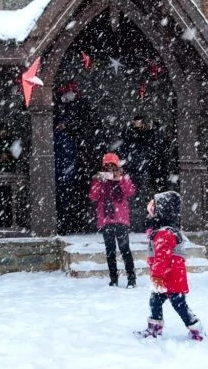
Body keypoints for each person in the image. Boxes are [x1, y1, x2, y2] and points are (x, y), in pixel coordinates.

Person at [136, 191, 204, 341]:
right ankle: (154, 328)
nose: (149, 216)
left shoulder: (164, 233)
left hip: (169, 277)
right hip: (167, 277)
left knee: (178, 304)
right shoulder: (164, 231)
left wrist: (157, 276)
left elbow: (162, 257)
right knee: (156, 301)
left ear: (161, 213)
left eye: (152, 212)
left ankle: (195, 328)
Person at [89, 152, 137, 288]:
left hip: (120, 219)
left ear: (117, 166)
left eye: (112, 166)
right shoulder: (99, 179)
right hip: (106, 220)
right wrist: (98, 181)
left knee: (125, 250)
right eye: (107, 166)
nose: (110, 169)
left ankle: (131, 279)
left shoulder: (123, 177)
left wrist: (120, 179)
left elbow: (130, 192)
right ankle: (113, 279)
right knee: (110, 251)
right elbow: (93, 196)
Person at [118, 114, 159, 230]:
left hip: (142, 168)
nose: (137, 123)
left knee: (142, 197)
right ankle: (135, 223)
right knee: (133, 197)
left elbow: (152, 148)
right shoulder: (130, 134)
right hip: (134, 169)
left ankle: (141, 223)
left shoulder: (146, 135)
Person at [53, 118, 79, 234]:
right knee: (64, 201)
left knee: (61, 201)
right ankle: (64, 226)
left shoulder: (60, 138)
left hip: (61, 173)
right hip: (63, 174)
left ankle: (62, 226)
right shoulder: (65, 138)